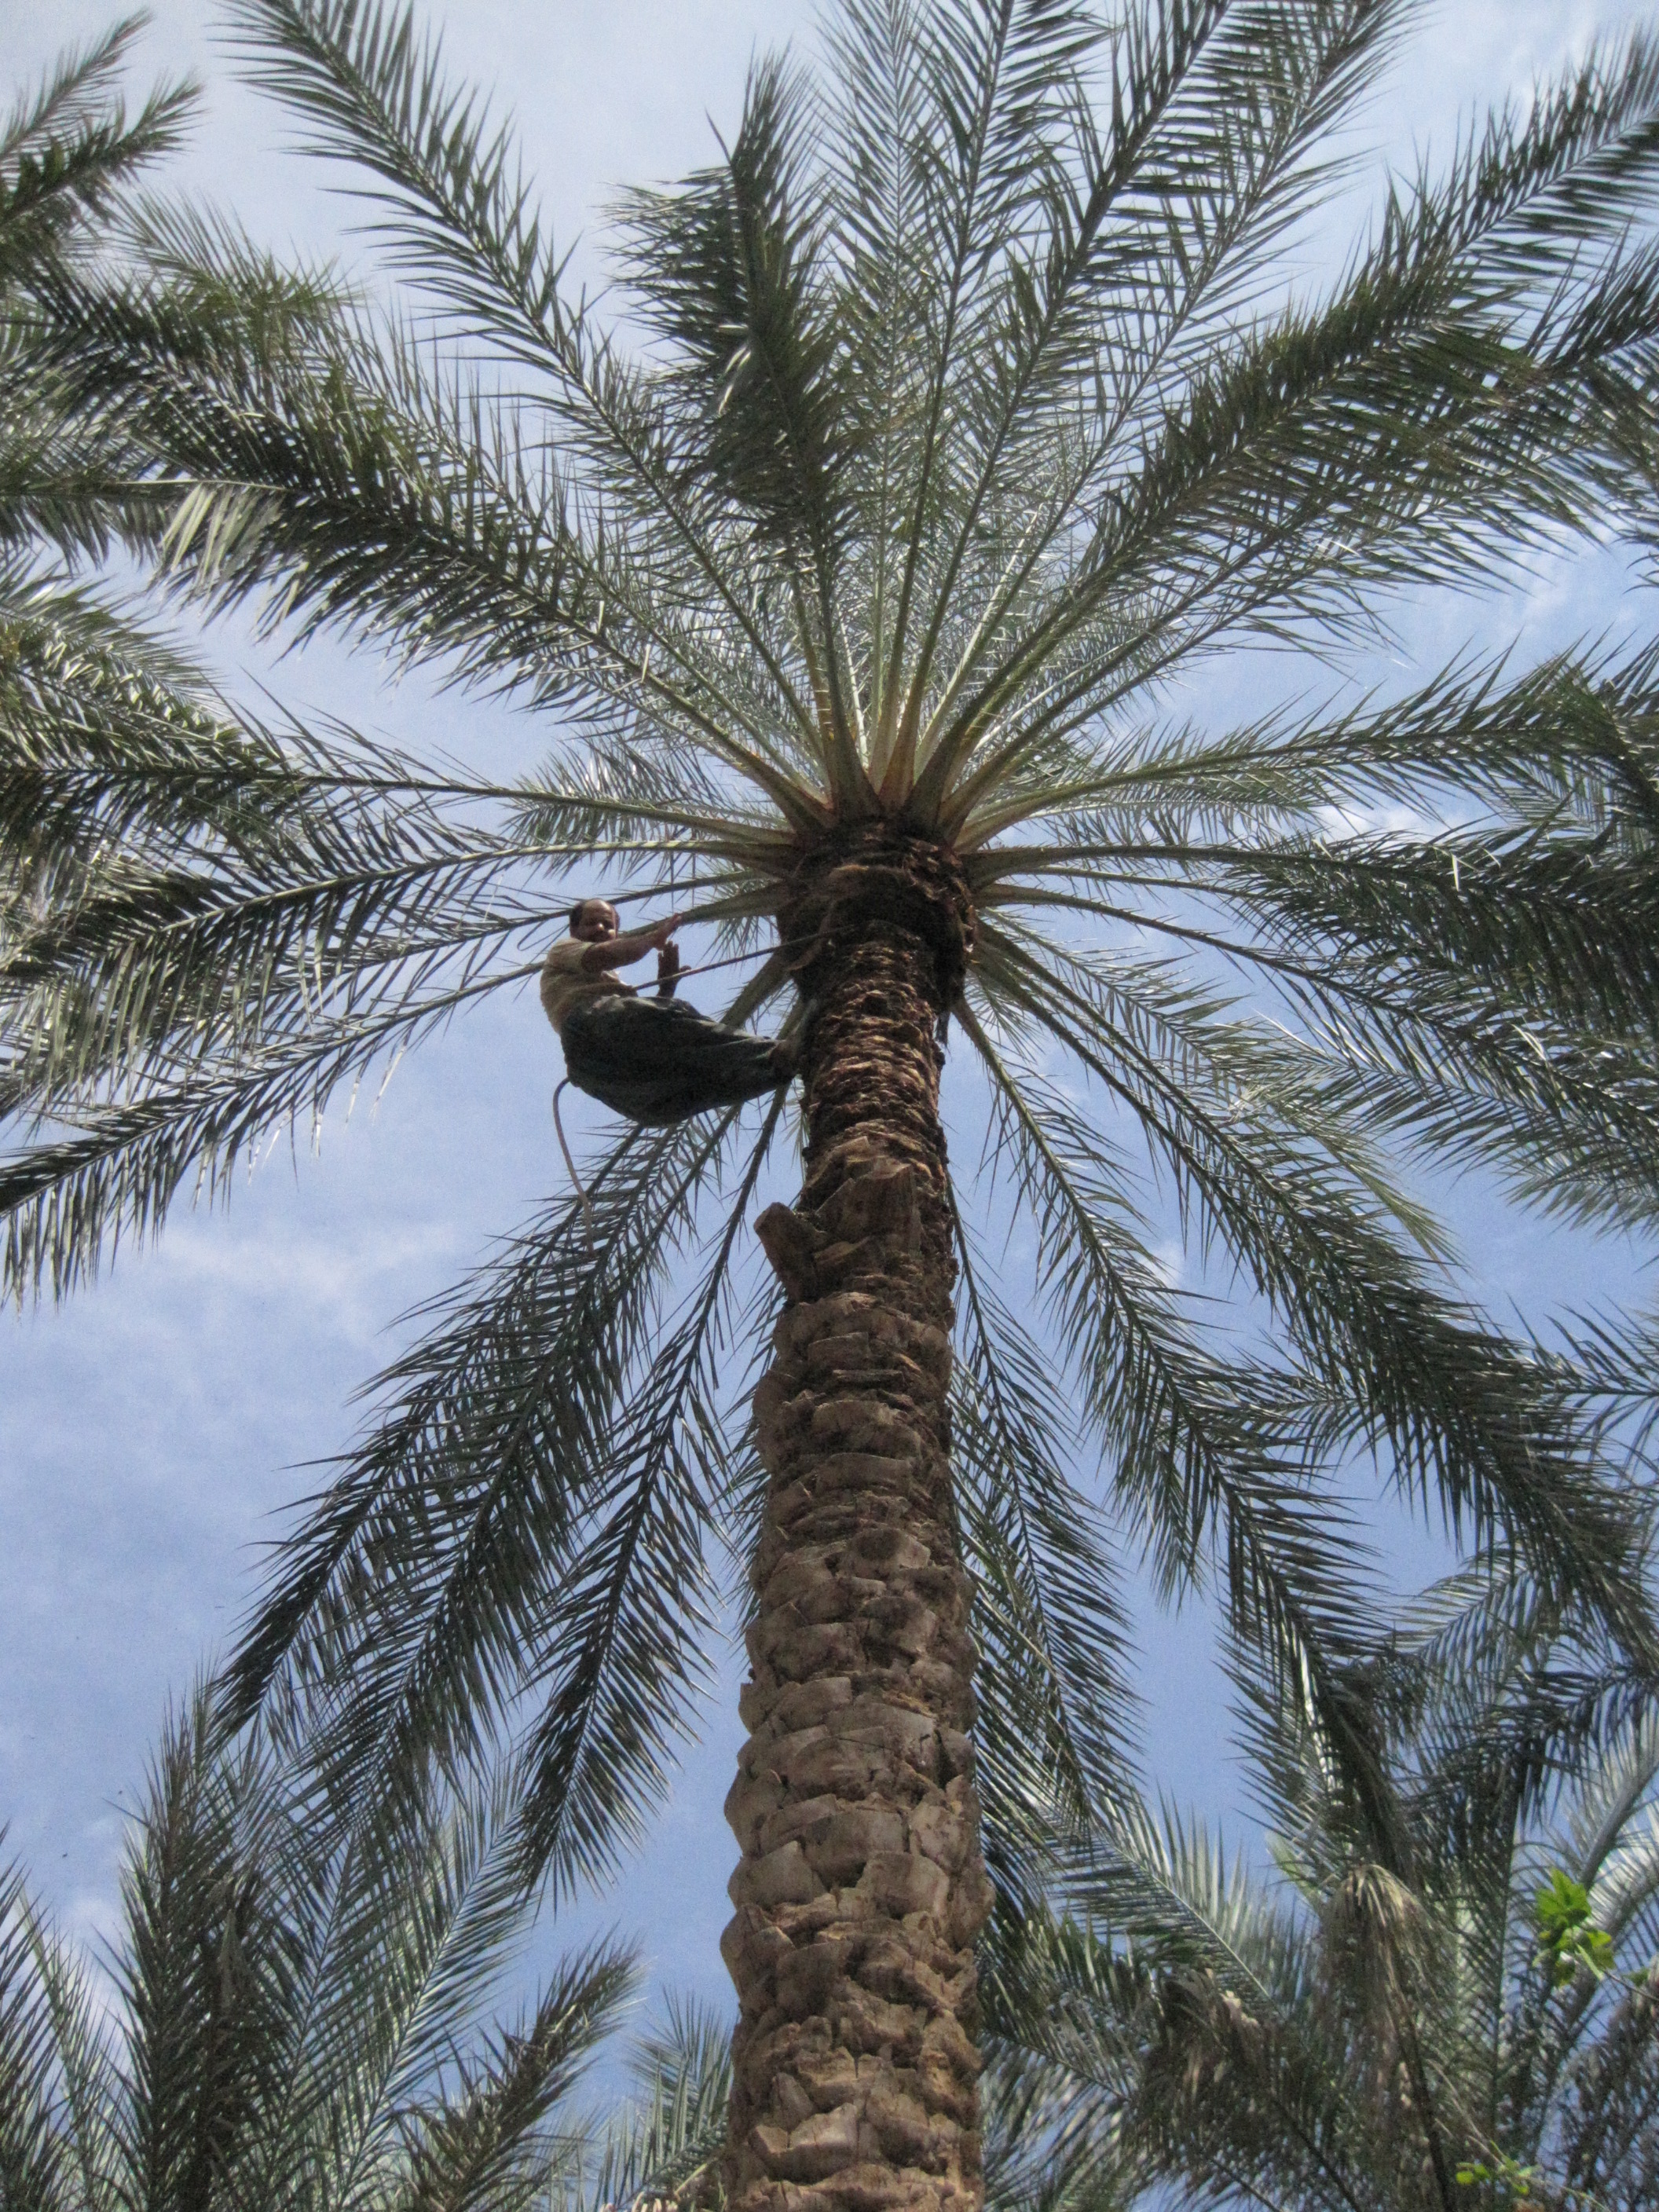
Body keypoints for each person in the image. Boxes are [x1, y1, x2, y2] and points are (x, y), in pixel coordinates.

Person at [540, 899, 799, 1124]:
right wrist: (650, 940)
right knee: (676, 1016)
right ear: (574, 930)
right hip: (584, 1034)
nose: (600, 929)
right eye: (591, 923)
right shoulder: (562, 951)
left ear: (616, 933)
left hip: (602, 1068)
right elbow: (605, 956)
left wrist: (666, 988)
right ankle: (774, 1052)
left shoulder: (613, 989)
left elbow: (651, 1037)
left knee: (690, 1088)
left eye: (608, 926)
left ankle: (781, 1065)